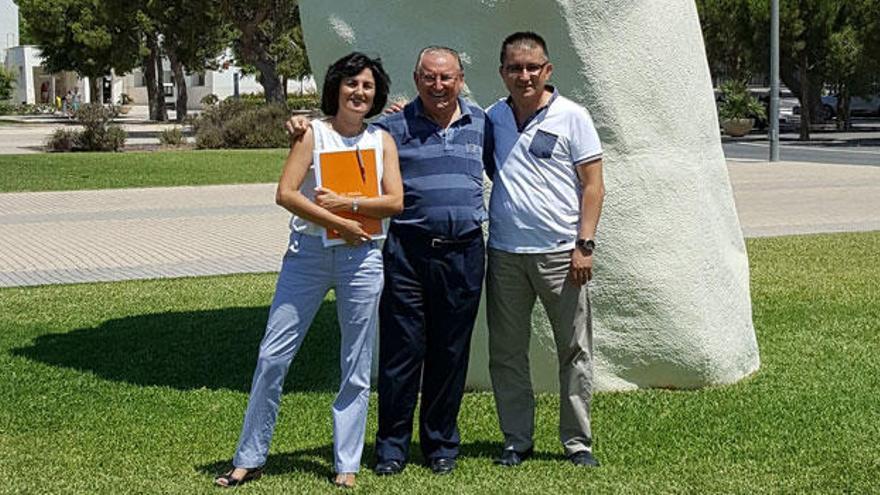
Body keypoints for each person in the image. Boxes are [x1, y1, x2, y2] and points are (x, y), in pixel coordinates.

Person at [287, 45, 494, 476]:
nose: (439, 86)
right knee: (402, 353)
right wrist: (300, 123)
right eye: (429, 77)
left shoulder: (483, 122)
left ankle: (440, 445)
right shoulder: (392, 127)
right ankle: (392, 449)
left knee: (450, 352)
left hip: (466, 251)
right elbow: (343, 130)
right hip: (408, 252)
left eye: (448, 77)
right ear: (416, 80)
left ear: (461, 80)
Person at [215, 52, 403, 489]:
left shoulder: (381, 141)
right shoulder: (311, 134)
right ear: (336, 86)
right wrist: (338, 221)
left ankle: (347, 463)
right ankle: (249, 456)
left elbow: (395, 202)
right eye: (352, 83)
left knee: (356, 364)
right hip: (307, 257)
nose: (360, 92)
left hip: (363, 259)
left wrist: (350, 207)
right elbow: (285, 193)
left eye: (368, 86)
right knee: (272, 355)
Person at [485, 31, 605, 468]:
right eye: (515, 67)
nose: (524, 75)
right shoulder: (492, 118)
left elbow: (593, 185)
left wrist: (584, 244)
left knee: (574, 350)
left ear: (547, 70)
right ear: (502, 73)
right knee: (507, 353)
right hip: (504, 254)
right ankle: (517, 439)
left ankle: (577, 442)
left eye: (532, 67)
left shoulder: (573, 116)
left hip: (562, 254)